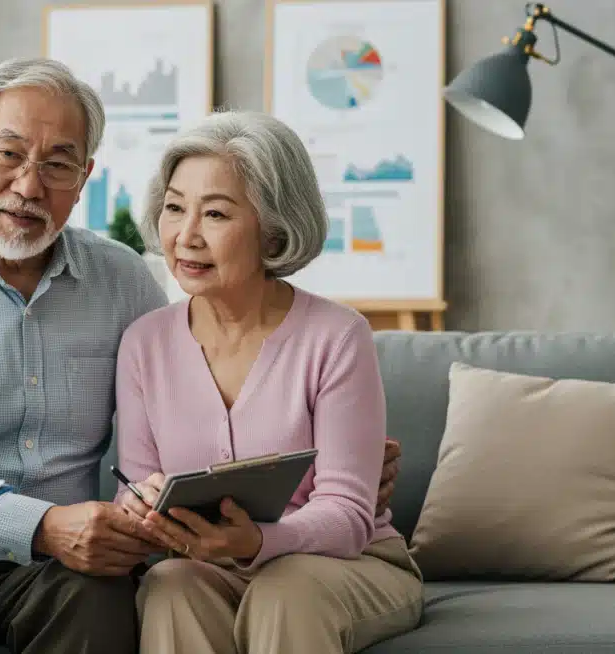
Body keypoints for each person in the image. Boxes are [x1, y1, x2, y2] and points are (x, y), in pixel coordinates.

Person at [0, 57, 403, 654]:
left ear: (83, 178)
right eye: (7, 154)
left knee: (109, 593)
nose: (30, 186)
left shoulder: (122, 281)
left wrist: (346, 465)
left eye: (57, 164)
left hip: (72, 567)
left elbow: (159, 457)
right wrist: (40, 526)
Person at [114, 110, 424, 654]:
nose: (186, 236)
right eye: (174, 208)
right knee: (169, 584)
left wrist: (258, 540)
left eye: (215, 214)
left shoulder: (338, 336)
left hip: (348, 566)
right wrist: (141, 507)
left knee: (283, 590)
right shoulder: (144, 343)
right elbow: (133, 490)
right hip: (208, 568)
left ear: (274, 228)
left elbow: (350, 515)